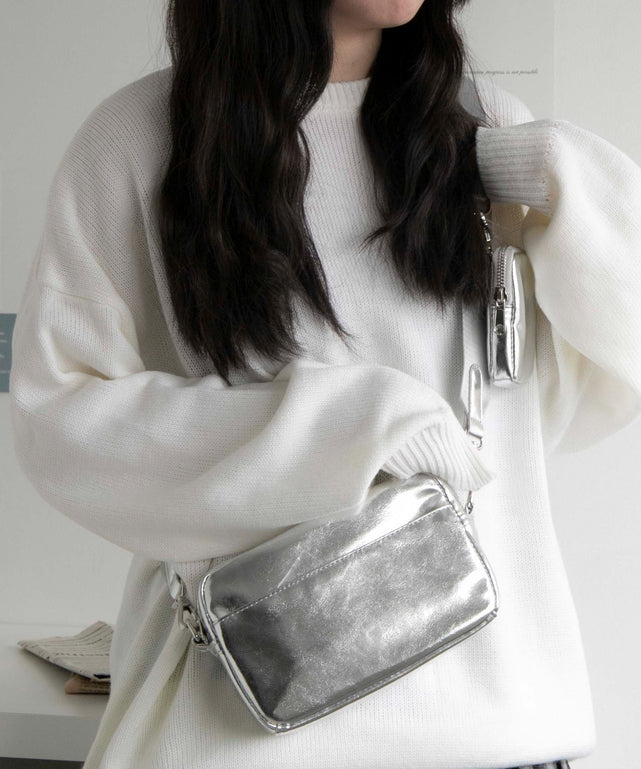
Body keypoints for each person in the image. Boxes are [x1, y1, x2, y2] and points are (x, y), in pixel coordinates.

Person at [9, 0, 641, 767]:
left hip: (499, 729)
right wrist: (356, 425)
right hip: (241, 735)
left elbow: (562, 408)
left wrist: (569, 184)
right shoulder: (140, 138)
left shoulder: (486, 130)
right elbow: (62, 422)